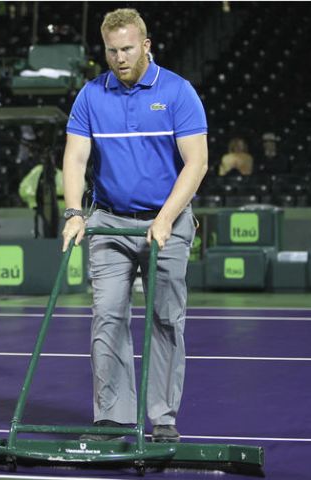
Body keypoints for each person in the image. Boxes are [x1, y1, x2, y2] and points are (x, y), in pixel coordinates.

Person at [60, 8, 208, 444]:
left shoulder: (178, 92)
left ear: (146, 45)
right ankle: (114, 416)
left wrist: (165, 219)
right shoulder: (90, 95)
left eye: (127, 48)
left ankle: (162, 417)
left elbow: (196, 163)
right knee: (107, 316)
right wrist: (73, 213)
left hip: (166, 221)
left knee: (164, 320)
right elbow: (75, 157)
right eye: (111, 50)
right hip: (109, 221)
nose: (120, 58)